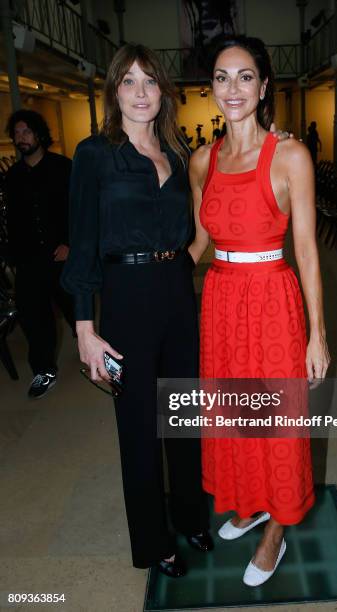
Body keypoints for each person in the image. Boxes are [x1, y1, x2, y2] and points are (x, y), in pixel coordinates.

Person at [60, 43, 213, 577]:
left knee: (184, 416)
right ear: (113, 91)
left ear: (163, 92)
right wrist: (85, 326)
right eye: (129, 81)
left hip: (175, 289)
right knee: (139, 427)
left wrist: (183, 265)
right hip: (124, 295)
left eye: (150, 81)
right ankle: (155, 542)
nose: (141, 92)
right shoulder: (94, 154)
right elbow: (81, 244)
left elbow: (198, 225)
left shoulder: (175, 153)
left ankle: (193, 514)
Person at [188, 36, 330, 586]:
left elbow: (308, 251)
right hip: (221, 302)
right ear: (213, 89)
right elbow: (199, 241)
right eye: (222, 77)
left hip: (272, 299)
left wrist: (317, 335)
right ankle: (252, 505)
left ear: (264, 85)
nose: (233, 88)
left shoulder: (290, 154)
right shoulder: (203, 160)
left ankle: (278, 531)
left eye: (245, 76)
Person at [4, 110, 75, 398]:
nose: (21, 138)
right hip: (29, 261)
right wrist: (13, 256)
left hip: (63, 257)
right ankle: (43, 370)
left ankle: (94, 352)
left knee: (76, 311)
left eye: (27, 132)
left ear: (39, 135)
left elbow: (78, 210)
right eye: (17, 133)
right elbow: (13, 222)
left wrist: (70, 244)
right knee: (34, 319)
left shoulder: (63, 168)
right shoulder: (12, 177)